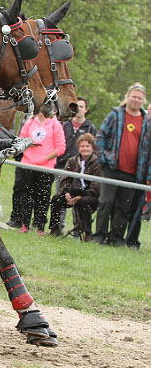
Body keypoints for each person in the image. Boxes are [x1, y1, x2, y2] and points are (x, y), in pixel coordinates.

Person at [93, 83, 151, 247]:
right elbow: (100, 136)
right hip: (111, 168)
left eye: (139, 98)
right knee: (105, 202)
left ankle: (116, 239)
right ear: (128, 96)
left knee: (123, 208)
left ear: (143, 101)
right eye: (134, 96)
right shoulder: (116, 115)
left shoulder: (147, 121)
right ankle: (99, 236)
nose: (136, 100)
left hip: (133, 172)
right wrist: (103, 158)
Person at [13, 103, 66, 235]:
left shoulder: (55, 125)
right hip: (28, 164)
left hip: (46, 167)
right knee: (26, 195)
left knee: (42, 196)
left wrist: (44, 158)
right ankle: (25, 224)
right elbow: (21, 140)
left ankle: (40, 226)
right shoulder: (30, 123)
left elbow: (60, 147)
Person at [48, 133, 101, 240]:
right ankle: (55, 229)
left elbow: (97, 185)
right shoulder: (72, 161)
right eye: (82, 146)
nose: (85, 149)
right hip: (73, 192)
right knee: (56, 199)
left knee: (84, 202)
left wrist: (82, 196)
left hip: (91, 195)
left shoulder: (97, 163)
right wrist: (66, 192)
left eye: (87, 146)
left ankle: (87, 234)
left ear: (92, 148)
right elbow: (65, 179)